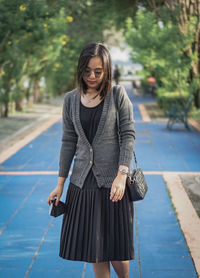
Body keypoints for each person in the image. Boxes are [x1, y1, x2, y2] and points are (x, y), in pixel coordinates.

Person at [47, 42, 135, 278]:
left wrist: (122, 174)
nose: (92, 76)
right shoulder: (70, 100)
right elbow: (68, 142)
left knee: (117, 249)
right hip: (82, 183)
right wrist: (60, 184)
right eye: (87, 71)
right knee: (95, 249)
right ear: (80, 70)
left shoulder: (118, 95)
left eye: (98, 71)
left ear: (107, 69)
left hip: (112, 184)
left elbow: (128, 134)